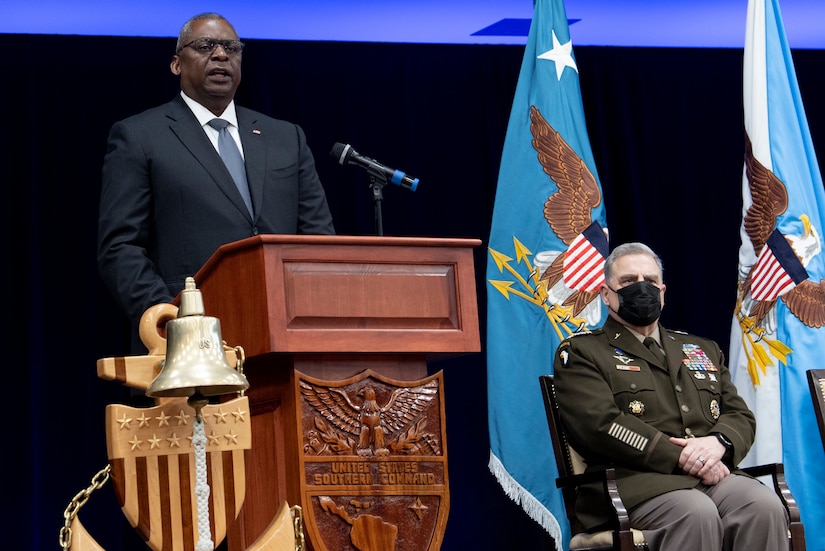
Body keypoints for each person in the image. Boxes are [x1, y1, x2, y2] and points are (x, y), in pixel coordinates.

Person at [98, 12, 335, 352]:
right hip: (188, 343)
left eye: (231, 48)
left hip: (285, 341)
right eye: (206, 46)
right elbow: (119, 247)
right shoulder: (139, 136)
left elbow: (318, 242)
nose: (222, 55)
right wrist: (170, 317)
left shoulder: (285, 137)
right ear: (176, 64)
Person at [553, 242, 789, 550]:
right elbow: (601, 424)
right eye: (628, 281)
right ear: (606, 293)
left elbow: (740, 416)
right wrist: (682, 457)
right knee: (695, 512)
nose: (641, 288)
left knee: (763, 505)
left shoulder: (701, 349)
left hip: (709, 477)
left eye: (650, 281)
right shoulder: (582, 352)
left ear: (663, 292)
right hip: (633, 483)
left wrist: (718, 444)